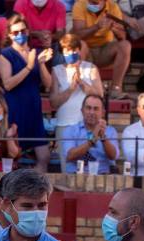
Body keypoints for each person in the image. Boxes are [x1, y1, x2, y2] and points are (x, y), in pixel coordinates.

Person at [0, 14, 54, 171]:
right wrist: (29, 66)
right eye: (15, 32)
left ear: (28, 31)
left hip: (34, 111)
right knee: (14, 155)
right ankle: (17, 189)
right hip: (15, 109)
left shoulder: (36, 53)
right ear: (9, 35)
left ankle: (32, 187)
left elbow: (48, 84)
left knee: (44, 157)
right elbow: (7, 84)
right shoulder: (5, 54)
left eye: (22, 31)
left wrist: (41, 64)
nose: (20, 35)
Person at [49, 32, 105, 163]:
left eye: (74, 50)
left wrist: (82, 83)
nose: (71, 53)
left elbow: (99, 95)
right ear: (62, 52)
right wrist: (71, 89)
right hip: (64, 124)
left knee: (90, 163)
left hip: (87, 124)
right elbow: (53, 102)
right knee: (66, 164)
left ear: (79, 50)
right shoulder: (56, 70)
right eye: (67, 50)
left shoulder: (91, 68)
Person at [72, 0, 131, 99]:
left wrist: (115, 29)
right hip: (87, 51)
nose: (93, 4)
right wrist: (97, 27)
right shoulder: (80, 5)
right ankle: (82, 87)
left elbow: (122, 37)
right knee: (80, 44)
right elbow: (78, 35)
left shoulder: (113, 7)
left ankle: (116, 89)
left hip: (104, 50)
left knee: (125, 45)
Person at [62, 93, 119, 173]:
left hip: (103, 178)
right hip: (75, 177)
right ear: (82, 111)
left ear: (103, 113)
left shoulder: (110, 131)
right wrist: (92, 140)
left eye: (96, 109)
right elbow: (70, 156)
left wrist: (103, 137)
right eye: (88, 108)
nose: (91, 112)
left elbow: (113, 156)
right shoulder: (70, 130)